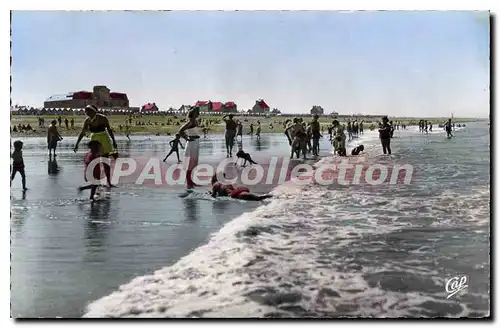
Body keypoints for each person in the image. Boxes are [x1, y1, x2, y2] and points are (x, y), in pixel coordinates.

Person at [73, 104, 117, 188]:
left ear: (94, 111)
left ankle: (108, 182)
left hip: (104, 139)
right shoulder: (87, 121)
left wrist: (114, 141)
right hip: (94, 140)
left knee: (105, 161)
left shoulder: (103, 118)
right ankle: (97, 181)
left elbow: (109, 130)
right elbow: (82, 133)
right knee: (95, 162)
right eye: (86, 112)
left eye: (88, 111)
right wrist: (77, 144)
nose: (87, 113)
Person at [178, 106, 201, 190]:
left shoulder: (194, 121)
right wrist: (187, 138)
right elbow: (180, 130)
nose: (198, 113)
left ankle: (190, 180)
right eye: (196, 112)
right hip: (192, 142)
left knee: (194, 162)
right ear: (193, 113)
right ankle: (189, 181)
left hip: (195, 142)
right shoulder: (190, 121)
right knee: (191, 162)